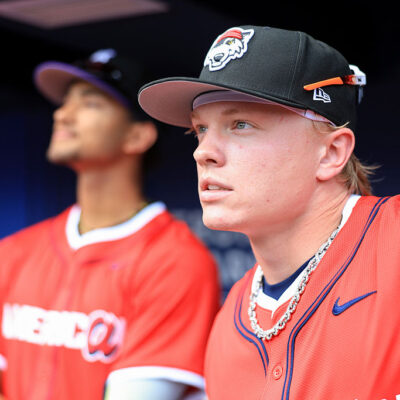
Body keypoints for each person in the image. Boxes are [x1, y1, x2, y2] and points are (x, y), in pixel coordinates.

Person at [138, 25, 400, 399]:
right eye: (200, 130)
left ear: (331, 153)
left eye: (241, 124)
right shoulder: (230, 321)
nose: (203, 152)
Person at [0, 48, 220, 400]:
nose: (63, 115)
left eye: (89, 104)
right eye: (65, 102)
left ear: (137, 136)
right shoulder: (14, 252)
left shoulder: (175, 262)